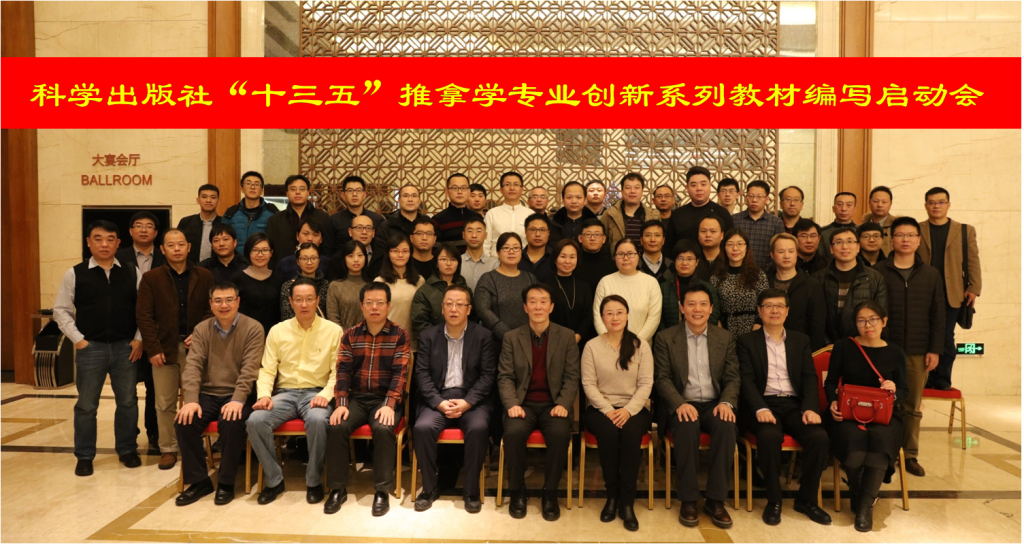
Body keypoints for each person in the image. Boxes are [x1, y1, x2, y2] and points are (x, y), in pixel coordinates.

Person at [54, 220, 144, 476]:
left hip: (125, 348)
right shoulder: (75, 273)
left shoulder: (132, 271)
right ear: (88, 242)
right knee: (86, 405)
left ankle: (127, 449)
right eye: (98, 238)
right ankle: (84, 456)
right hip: (90, 348)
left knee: (128, 402)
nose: (104, 244)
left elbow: (144, 309)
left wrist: (139, 338)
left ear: (118, 243)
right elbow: (61, 310)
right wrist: (78, 339)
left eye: (110, 239)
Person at [737, 289, 832, 526]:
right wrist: (759, 408)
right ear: (759, 311)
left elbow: (809, 377)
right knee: (769, 437)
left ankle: (806, 499)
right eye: (768, 306)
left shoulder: (800, 340)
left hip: (794, 404)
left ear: (787, 311)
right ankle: (774, 500)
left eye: (779, 306)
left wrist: (810, 407)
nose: (774, 310)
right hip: (763, 404)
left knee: (819, 438)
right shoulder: (746, 341)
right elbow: (745, 380)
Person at [246, 277, 341, 506]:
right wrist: (264, 395)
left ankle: (314, 481)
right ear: (290, 302)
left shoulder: (333, 331)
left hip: (317, 393)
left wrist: (325, 395)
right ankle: (274, 480)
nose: (304, 304)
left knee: (318, 420)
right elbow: (267, 369)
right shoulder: (277, 331)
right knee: (255, 421)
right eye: (298, 299)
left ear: (318, 300)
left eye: (309, 299)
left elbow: (338, 372)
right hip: (285, 394)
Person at [653, 283, 739, 530]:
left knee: (726, 427)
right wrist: (679, 403)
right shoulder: (666, 338)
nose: (697, 309)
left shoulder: (724, 337)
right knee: (687, 427)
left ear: (711, 309)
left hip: (715, 403)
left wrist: (726, 402)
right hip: (683, 402)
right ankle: (688, 499)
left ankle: (715, 500)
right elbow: (662, 378)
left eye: (703, 304)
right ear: (682, 308)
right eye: (691, 304)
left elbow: (733, 377)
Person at [173, 281, 264, 507]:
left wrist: (238, 400)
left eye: (229, 300)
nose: (224, 305)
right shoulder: (202, 329)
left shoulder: (253, 328)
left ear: (238, 302)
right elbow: (193, 366)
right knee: (184, 421)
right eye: (218, 301)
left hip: (239, 393)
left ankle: (226, 482)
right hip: (208, 393)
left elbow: (250, 369)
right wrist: (191, 400)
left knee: (231, 422)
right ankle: (199, 481)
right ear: (211, 304)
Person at [324, 282, 411, 517]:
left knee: (383, 428)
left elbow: (400, 374)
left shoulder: (400, 334)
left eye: (380, 302)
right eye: (369, 303)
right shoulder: (350, 334)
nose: (374, 307)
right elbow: (343, 372)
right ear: (361, 306)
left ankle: (382, 491)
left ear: (388, 305)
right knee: (336, 425)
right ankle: (337, 489)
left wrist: (390, 404)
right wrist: (341, 404)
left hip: (385, 398)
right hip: (357, 398)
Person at [825, 302, 909, 533]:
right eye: (861, 320)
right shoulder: (844, 347)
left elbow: (904, 389)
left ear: (884, 321)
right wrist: (832, 401)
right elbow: (831, 381)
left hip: (883, 415)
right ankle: (857, 489)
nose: (868, 325)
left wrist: (893, 391)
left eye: (873, 319)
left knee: (881, 442)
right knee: (854, 445)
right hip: (848, 413)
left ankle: (864, 506)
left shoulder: (895, 352)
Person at [498, 284, 580, 521]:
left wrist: (564, 403)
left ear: (551, 307)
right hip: (522, 404)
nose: (538, 306)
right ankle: (517, 490)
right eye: (532, 301)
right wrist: (512, 403)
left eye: (543, 301)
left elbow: (572, 376)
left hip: (554, 405)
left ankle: (550, 492)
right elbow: (505, 376)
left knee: (559, 434)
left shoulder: (566, 336)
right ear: (525, 307)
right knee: (513, 433)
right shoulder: (512, 337)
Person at [412, 285, 496, 513]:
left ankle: (471, 491)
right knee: (422, 428)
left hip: (471, 400)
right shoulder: (429, 336)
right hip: (438, 399)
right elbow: (422, 374)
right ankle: (429, 488)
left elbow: (488, 375)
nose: (453, 309)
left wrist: (468, 402)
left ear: (469, 309)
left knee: (478, 428)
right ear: (442, 308)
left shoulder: (483, 336)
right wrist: (439, 402)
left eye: (459, 304)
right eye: (449, 304)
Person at [137, 229, 215, 471]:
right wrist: (153, 348)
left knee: (197, 400)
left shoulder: (204, 275)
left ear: (189, 247)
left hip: (197, 349)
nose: (177, 249)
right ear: (163, 249)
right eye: (171, 245)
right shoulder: (151, 278)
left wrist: (200, 333)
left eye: (181, 244)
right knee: (164, 403)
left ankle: (194, 446)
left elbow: (211, 309)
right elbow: (144, 316)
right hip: (164, 349)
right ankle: (168, 449)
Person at [875, 217, 945, 477]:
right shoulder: (878, 271)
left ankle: (910, 455)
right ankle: (883, 452)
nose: (905, 240)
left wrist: (935, 349)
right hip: (884, 349)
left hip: (918, 350)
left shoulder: (931, 274)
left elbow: (938, 315)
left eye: (911, 235)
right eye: (900, 235)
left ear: (918, 240)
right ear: (891, 239)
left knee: (912, 407)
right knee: (882, 403)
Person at [581, 295, 654, 532]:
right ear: (602, 317)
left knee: (631, 435)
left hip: (635, 409)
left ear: (627, 315)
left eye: (620, 312)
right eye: (609, 313)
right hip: (600, 409)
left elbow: (646, 383)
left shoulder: (641, 345)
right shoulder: (592, 346)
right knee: (609, 434)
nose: (615, 317)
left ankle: (627, 502)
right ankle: (611, 496)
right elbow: (588, 384)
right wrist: (608, 410)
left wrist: (628, 410)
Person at [917, 187, 981, 391]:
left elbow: (973, 260)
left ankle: (942, 379)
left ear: (948, 205)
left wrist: (974, 287)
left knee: (945, 336)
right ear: (926, 205)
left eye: (941, 202)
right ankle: (924, 379)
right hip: (923, 292)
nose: (936, 206)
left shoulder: (964, 231)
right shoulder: (917, 229)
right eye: (932, 202)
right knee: (923, 336)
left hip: (952, 292)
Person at [115, 211, 164, 451]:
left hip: (157, 333)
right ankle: (128, 436)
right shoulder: (118, 257)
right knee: (127, 389)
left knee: (156, 388)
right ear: (130, 231)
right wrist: (136, 335)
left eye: (149, 226)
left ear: (156, 232)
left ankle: (154, 434)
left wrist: (146, 335)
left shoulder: (164, 257)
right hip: (126, 334)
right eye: (138, 225)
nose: (143, 230)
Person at [814, 227, 887, 344]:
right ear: (831, 249)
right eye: (839, 242)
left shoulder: (875, 278)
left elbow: (879, 316)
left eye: (850, 241)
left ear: (858, 247)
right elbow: (815, 318)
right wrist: (827, 344)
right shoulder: (819, 278)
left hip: (863, 344)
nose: (845, 247)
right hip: (827, 346)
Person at [762, 233, 827, 351]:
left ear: (797, 253)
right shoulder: (763, 283)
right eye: (781, 251)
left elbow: (817, 325)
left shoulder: (812, 285)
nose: (786, 256)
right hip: (767, 348)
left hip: (801, 349)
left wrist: (811, 353)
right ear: (772, 254)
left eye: (791, 251)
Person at [593, 239, 662, 345]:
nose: (625, 258)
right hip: (608, 346)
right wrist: (611, 342)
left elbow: (654, 318)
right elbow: (597, 316)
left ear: (638, 255)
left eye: (630, 254)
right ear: (615, 257)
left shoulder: (651, 283)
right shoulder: (605, 282)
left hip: (641, 346)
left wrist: (635, 342)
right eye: (621, 254)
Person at [475, 232, 538, 343]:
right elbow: (483, 310)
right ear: (498, 253)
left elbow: (538, 306)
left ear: (521, 252)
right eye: (506, 248)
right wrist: (508, 335)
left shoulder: (530, 278)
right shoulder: (487, 279)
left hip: (527, 340)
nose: (511, 252)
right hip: (495, 342)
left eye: (516, 248)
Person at [265, 174, 334, 267]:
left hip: (315, 268)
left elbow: (328, 248)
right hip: (284, 269)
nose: (297, 192)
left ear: (308, 192)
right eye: (293, 189)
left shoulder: (323, 217)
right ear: (287, 193)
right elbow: (270, 249)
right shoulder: (275, 220)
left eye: (302, 189)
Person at [710, 229, 768, 336]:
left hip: (754, 331)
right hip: (724, 331)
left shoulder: (758, 275)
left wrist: (756, 329)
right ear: (724, 248)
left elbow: (765, 303)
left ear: (746, 248)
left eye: (740, 244)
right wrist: (720, 332)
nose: (735, 248)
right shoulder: (716, 277)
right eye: (730, 244)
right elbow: (714, 308)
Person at [374, 234, 426, 351]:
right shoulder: (380, 282)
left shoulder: (420, 281)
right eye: (395, 251)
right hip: (388, 343)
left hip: (414, 343)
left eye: (405, 251)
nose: (400, 255)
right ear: (388, 253)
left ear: (411, 253)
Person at [665, 166, 734, 251]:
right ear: (687, 188)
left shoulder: (722, 213)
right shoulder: (678, 214)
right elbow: (669, 246)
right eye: (694, 185)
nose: (699, 188)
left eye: (703, 184)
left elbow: (730, 243)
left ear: (710, 186)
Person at [411, 243, 468, 342]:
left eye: (453, 259)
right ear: (436, 263)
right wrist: (442, 338)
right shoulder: (424, 291)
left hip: (462, 342)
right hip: (433, 343)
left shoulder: (465, 289)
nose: (448, 263)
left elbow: (472, 318)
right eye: (444, 259)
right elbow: (419, 323)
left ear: (458, 263)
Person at [659, 240, 720, 330]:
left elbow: (713, 316)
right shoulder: (664, 288)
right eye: (680, 258)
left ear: (697, 262)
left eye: (689, 259)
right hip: (670, 336)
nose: (684, 263)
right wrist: (668, 336)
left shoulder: (707, 288)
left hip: (701, 335)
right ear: (674, 261)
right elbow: (659, 318)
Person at [232, 232, 284, 336]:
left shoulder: (279, 279)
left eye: (265, 250)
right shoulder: (237, 278)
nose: (260, 254)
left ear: (271, 252)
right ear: (248, 252)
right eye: (255, 250)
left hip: (273, 336)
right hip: (245, 335)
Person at [546, 239, 594, 348]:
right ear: (555, 259)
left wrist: (577, 337)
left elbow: (588, 315)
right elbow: (546, 316)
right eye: (563, 256)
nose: (567, 261)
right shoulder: (546, 287)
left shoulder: (584, 286)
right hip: (554, 342)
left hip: (581, 343)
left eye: (572, 257)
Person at [731, 180, 785, 272]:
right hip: (738, 271)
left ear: (767, 199)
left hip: (767, 273)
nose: (754, 200)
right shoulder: (734, 220)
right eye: (751, 196)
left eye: (759, 196)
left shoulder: (776, 223)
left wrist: (766, 272)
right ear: (746, 198)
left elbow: (779, 249)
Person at [601, 173, 659, 251]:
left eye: (637, 187)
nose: (632, 191)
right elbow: (602, 243)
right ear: (622, 191)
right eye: (628, 188)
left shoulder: (654, 215)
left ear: (642, 191)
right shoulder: (609, 214)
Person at [222, 171, 279, 243]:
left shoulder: (272, 214)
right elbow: (223, 240)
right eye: (248, 183)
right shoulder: (231, 214)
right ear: (242, 189)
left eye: (257, 184)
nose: (252, 187)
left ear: (261, 191)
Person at [483, 172, 532, 257]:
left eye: (516, 184)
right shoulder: (492, 214)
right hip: (496, 262)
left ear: (522, 190)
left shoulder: (530, 214)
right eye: (507, 184)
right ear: (501, 190)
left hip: (524, 262)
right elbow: (485, 243)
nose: (512, 188)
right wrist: (488, 263)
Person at [329, 175, 385, 249]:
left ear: (364, 195)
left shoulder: (377, 219)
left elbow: (381, 248)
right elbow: (328, 251)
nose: (354, 194)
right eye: (350, 191)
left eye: (358, 190)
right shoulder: (333, 221)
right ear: (343, 195)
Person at [326, 240, 368, 332]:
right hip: (342, 337)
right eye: (351, 256)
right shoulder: (335, 286)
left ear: (365, 258)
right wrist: (346, 337)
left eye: (360, 255)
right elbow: (333, 318)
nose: (356, 259)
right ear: (344, 259)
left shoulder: (371, 285)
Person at [433, 173, 484, 251]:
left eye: (463, 188)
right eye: (455, 188)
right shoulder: (438, 220)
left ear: (469, 191)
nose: (459, 192)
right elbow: (436, 250)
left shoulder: (477, 218)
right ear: (447, 192)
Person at [328, 214, 386, 281]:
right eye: (359, 228)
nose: (364, 232)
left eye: (368, 228)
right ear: (350, 232)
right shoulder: (338, 258)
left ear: (373, 233)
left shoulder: (383, 255)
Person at [279, 243, 329, 320]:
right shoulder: (288, 286)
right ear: (297, 261)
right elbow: (287, 317)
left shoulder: (327, 285)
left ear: (319, 260)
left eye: (313, 258)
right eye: (304, 259)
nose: (309, 262)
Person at [177, 184, 222, 265]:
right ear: (198, 200)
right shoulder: (186, 222)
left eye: (213, 197)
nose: (208, 200)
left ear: (218, 201)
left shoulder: (224, 223)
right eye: (204, 197)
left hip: (217, 268)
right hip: (190, 268)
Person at [275, 217, 330, 281]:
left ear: (321, 239)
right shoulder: (285, 263)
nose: (310, 239)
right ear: (297, 236)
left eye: (315, 235)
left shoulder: (328, 263)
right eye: (306, 234)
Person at [575, 218, 617, 292]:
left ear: (603, 239)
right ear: (580, 238)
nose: (592, 238)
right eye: (588, 234)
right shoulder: (573, 264)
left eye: (597, 234)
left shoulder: (612, 266)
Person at [460, 217, 498, 291]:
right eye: (470, 231)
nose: (474, 235)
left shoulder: (495, 265)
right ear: (463, 235)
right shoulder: (456, 263)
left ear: (486, 235)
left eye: (479, 231)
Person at [818, 192, 858, 259]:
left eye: (849, 205)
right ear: (833, 209)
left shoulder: (861, 232)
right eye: (840, 204)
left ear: (854, 209)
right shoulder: (822, 232)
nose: (843, 209)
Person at [519, 213, 555, 284]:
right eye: (533, 230)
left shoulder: (556, 258)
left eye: (542, 230)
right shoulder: (516, 257)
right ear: (525, 232)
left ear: (548, 233)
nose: (538, 234)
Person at [863, 186, 897, 256]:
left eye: (884, 202)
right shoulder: (862, 227)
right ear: (869, 203)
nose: (880, 205)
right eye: (876, 201)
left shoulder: (897, 227)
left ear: (890, 204)